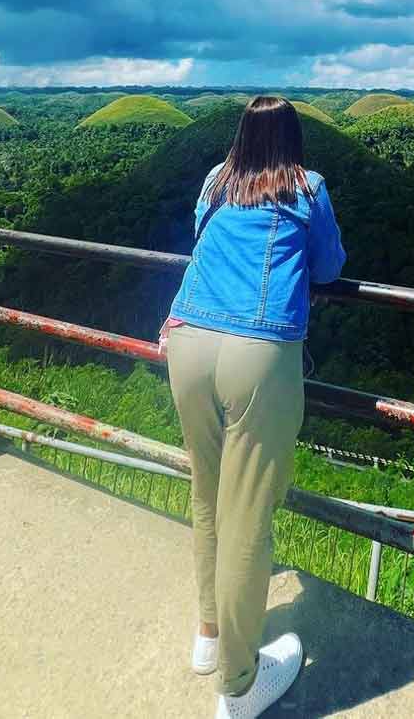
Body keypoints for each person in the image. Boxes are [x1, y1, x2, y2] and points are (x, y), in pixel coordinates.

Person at [160, 95, 346, 719]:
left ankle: (209, 638)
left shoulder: (217, 179)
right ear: (294, 139)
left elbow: (199, 239)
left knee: (207, 493)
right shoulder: (307, 185)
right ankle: (239, 688)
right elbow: (331, 264)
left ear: (240, 135)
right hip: (256, 349)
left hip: (187, 339)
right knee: (249, 517)